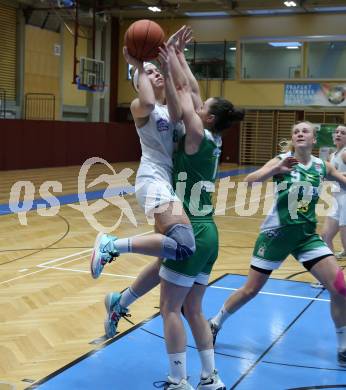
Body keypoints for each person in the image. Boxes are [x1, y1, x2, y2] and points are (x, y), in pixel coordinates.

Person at [97, 31, 244, 389]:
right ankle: (210, 377)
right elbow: (189, 91)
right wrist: (173, 56)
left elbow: (186, 91)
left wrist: (166, 61)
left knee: (171, 307)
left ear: (206, 118)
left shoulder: (195, 133)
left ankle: (178, 379)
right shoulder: (208, 136)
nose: (198, 102)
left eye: (203, 106)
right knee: (192, 307)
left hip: (189, 224)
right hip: (209, 232)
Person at [208, 121, 346, 367]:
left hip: (305, 236)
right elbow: (250, 180)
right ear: (293, 139)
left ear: (314, 139)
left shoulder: (319, 165)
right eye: (296, 131)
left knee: (340, 288)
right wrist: (275, 169)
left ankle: (343, 345)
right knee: (250, 290)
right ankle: (214, 323)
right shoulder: (282, 160)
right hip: (276, 235)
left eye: (305, 131)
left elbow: (341, 179)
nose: (300, 134)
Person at [90, 27, 198, 281]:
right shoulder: (140, 107)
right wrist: (138, 65)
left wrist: (170, 57)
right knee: (183, 244)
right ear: (138, 83)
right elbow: (148, 102)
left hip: (167, 182)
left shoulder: (169, 110)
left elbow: (183, 100)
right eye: (148, 73)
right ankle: (111, 245)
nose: (155, 73)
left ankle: (121, 302)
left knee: (165, 258)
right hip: (152, 180)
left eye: (155, 70)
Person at [321, 124, 346, 259]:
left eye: (342, 133)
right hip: (337, 198)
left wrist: (337, 174)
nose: (338, 134)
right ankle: (332, 271)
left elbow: (336, 175)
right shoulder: (332, 155)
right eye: (336, 132)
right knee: (325, 236)